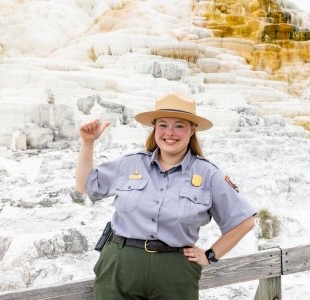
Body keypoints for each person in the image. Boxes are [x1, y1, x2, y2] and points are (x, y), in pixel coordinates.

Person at [75, 92, 256, 300]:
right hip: (120, 265)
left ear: (192, 130)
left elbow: (245, 221)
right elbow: (84, 186)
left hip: (175, 271)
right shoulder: (130, 163)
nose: (170, 133)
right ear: (154, 129)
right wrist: (87, 143)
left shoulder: (208, 174)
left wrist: (210, 255)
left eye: (179, 125)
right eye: (163, 125)